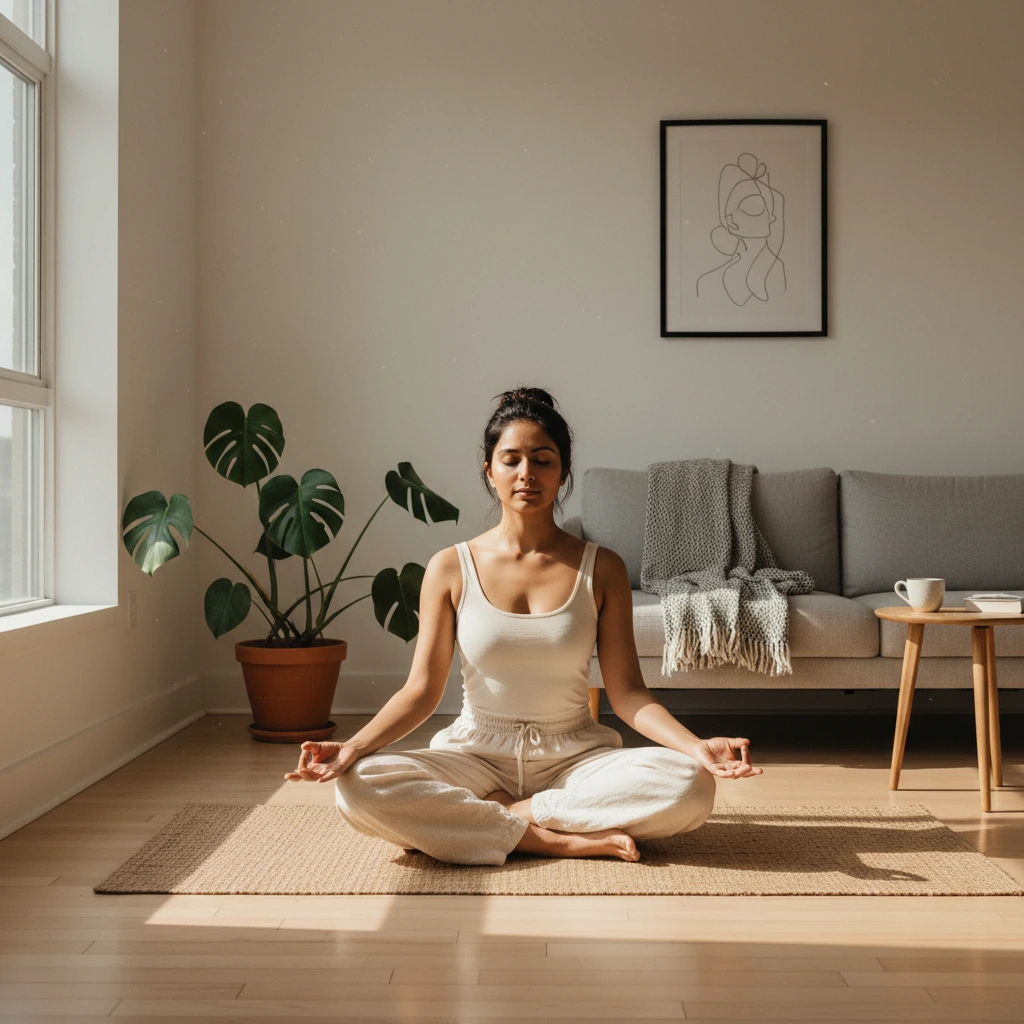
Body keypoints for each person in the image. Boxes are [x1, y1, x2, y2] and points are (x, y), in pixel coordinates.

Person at [284, 385, 763, 865]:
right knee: (358, 785)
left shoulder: (603, 567)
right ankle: (548, 837)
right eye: (511, 459)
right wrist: (352, 747)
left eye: (543, 459)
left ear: (563, 472)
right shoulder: (450, 567)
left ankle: (502, 819)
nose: (526, 474)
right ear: (489, 471)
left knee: (691, 786)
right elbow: (421, 691)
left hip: (574, 759)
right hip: (472, 756)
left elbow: (630, 694)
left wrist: (696, 746)